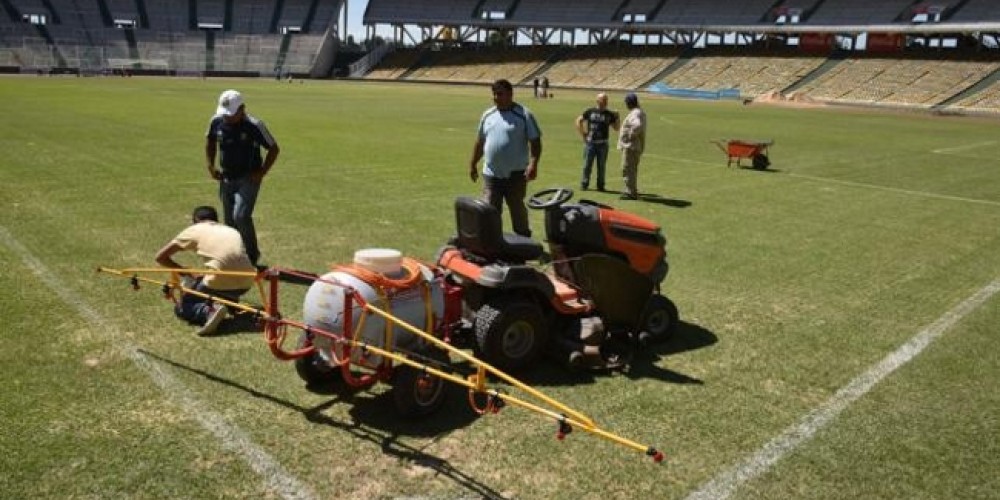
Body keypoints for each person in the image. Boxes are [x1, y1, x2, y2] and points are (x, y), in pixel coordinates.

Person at [205, 89, 280, 267]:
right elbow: (210, 141)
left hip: (249, 177)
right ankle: (234, 256)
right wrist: (210, 165)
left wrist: (262, 172)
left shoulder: (255, 125)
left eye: (231, 114)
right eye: (225, 114)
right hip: (226, 176)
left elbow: (274, 148)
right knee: (229, 221)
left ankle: (252, 257)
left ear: (242, 109)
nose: (227, 118)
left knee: (241, 216)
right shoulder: (216, 121)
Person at [155, 206, 257, 335]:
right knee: (211, 279)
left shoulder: (194, 230)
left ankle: (208, 311)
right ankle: (229, 302)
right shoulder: (231, 230)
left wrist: (184, 272)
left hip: (219, 281)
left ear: (196, 220)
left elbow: (160, 257)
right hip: (247, 280)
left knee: (183, 306)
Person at [468, 79, 543, 237]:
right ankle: (492, 241)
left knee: (517, 209)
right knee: (489, 210)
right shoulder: (488, 115)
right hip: (491, 174)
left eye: (500, 94)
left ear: (510, 94)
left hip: (516, 174)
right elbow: (480, 142)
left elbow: (535, 141)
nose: (496, 97)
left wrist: (533, 164)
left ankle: (523, 240)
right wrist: (473, 163)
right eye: (494, 94)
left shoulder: (524, 115)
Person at [575, 93, 619, 191]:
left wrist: (617, 117)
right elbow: (578, 120)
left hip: (603, 144)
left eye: (606, 100)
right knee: (587, 165)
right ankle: (584, 183)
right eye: (603, 100)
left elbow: (616, 128)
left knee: (601, 166)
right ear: (598, 101)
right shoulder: (590, 111)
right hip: (590, 143)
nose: (605, 102)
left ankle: (601, 185)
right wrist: (583, 134)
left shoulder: (609, 114)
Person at [617, 92, 647, 200]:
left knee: (627, 168)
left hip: (631, 146)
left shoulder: (635, 113)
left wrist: (630, 135)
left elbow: (637, 125)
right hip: (635, 146)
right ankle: (631, 189)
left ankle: (631, 192)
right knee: (632, 169)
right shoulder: (639, 112)